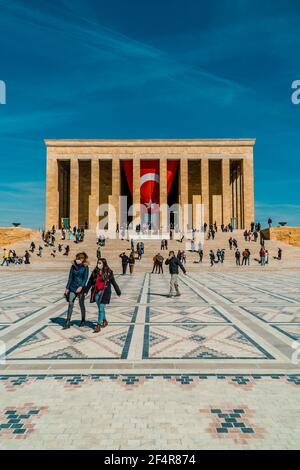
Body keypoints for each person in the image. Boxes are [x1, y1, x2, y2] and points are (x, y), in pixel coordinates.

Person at [85, 258, 121, 333]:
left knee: (101, 309)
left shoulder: (109, 272)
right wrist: (86, 291)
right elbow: (90, 282)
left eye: (100, 263)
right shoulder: (95, 271)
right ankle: (104, 321)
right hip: (96, 293)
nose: (98, 264)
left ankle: (98, 325)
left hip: (105, 293)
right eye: (98, 262)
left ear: (104, 263)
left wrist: (118, 291)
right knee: (101, 309)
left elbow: (113, 282)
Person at [64, 252, 89, 329]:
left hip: (81, 288)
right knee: (70, 303)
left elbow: (85, 278)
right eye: (78, 258)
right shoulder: (73, 266)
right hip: (73, 287)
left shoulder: (85, 267)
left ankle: (83, 320)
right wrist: (67, 287)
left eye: (80, 258)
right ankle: (68, 321)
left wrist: (81, 286)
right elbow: (70, 277)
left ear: (83, 259)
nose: (79, 259)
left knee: (81, 304)